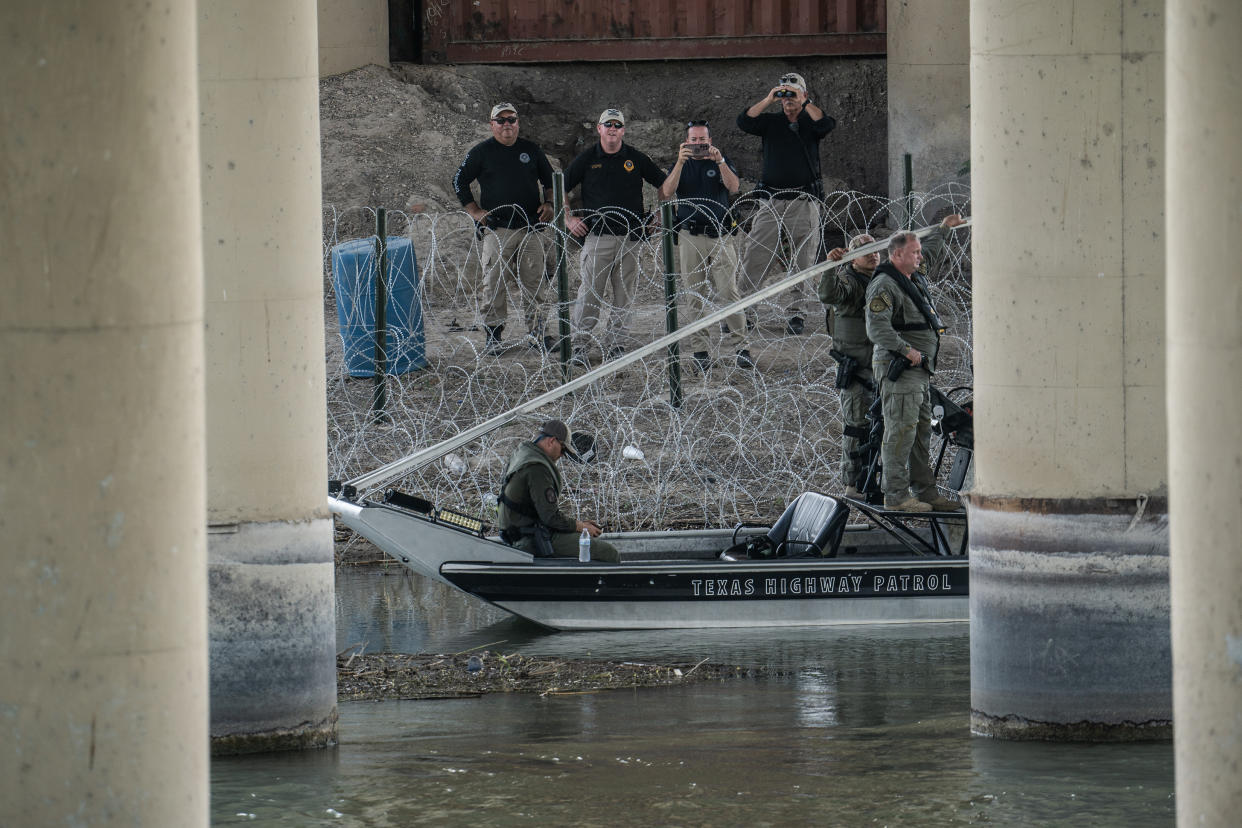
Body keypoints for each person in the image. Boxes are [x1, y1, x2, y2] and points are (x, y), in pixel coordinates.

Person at [863, 216, 966, 512]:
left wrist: (944, 228)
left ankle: (925, 491)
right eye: (914, 252)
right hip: (902, 369)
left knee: (920, 431)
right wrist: (907, 351)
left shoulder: (912, 276)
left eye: (919, 252)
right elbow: (877, 328)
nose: (920, 257)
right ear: (896, 255)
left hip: (919, 371)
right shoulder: (885, 284)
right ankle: (896, 496)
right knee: (901, 431)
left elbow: (931, 252)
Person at [736, 72, 835, 336]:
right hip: (771, 200)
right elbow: (745, 121)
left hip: (803, 201)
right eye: (784, 94)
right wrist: (770, 98)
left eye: (792, 93)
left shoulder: (810, 122)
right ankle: (746, 310)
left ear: (803, 95)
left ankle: (796, 313)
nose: (787, 99)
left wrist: (804, 101)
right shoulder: (771, 122)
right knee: (755, 254)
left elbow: (826, 124)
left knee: (803, 260)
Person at [563, 108, 666, 360]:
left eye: (617, 125)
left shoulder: (635, 158)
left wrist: (661, 214)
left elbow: (664, 183)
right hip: (598, 237)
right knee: (590, 294)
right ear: (599, 128)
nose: (612, 128)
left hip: (631, 238)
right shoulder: (587, 158)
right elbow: (560, 187)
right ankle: (580, 345)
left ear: (623, 130)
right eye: (607, 124)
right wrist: (568, 217)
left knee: (624, 296)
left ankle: (616, 344)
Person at [452, 103, 555, 354]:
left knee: (534, 284)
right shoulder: (481, 152)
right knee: (494, 283)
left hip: (530, 227)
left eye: (511, 119)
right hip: (498, 229)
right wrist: (475, 211)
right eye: (501, 120)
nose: (507, 124)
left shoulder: (531, 150)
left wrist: (550, 203)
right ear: (492, 125)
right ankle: (493, 336)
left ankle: (538, 334)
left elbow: (550, 180)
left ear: (518, 122)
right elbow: (459, 180)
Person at [658, 120, 753, 372]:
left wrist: (720, 161)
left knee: (729, 292)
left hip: (720, 235)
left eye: (702, 140)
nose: (698, 145)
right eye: (694, 140)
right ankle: (700, 350)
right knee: (694, 295)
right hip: (691, 236)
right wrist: (679, 162)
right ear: (686, 142)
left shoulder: (720, 161)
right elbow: (666, 192)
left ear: (710, 141)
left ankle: (741, 348)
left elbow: (734, 187)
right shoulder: (681, 164)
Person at [497, 419, 620, 562]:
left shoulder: (523, 454)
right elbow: (550, 517)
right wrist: (580, 526)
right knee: (609, 553)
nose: (562, 455)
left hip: (519, 532)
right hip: (529, 538)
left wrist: (579, 525)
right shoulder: (537, 468)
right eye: (563, 449)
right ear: (551, 441)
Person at [822, 233, 881, 496]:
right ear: (852, 258)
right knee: (857, 426)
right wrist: (830, 267)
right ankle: (852, 483)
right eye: (866, 251)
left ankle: (873, 480)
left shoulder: (882, 281)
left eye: (877, 250)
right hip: (857, 369)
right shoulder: (849, 281)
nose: (873, 254)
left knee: (881, 427)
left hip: (881, 366)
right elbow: (829, 293)